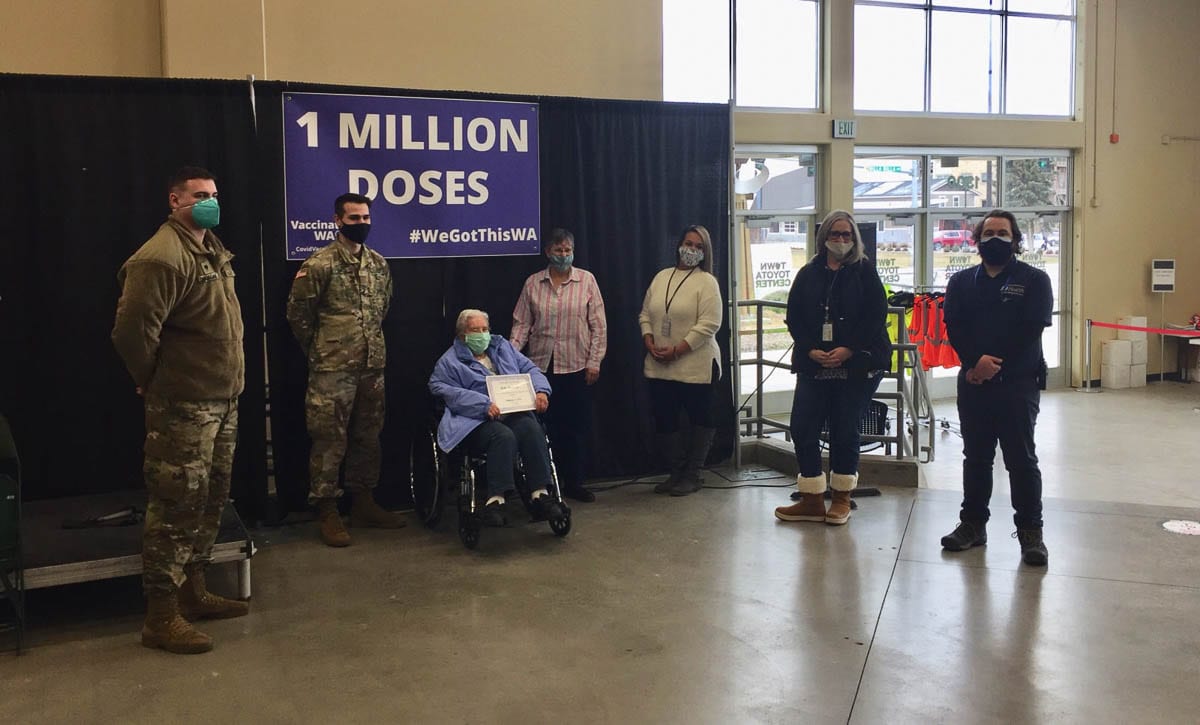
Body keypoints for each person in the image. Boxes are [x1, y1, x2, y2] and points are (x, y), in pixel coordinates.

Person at [112, 166, 248, 654]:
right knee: (175, 505)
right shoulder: (161, 257)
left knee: (211, 497)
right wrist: (150, 380)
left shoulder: (211, 248)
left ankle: (196, 592)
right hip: (184, 403)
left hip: (222, 397)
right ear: (174, 200)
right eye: (198, 195)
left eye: (214, 194)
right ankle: (161, 616)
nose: (209, 202)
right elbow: (132, 332)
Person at [286, 192, 404, 547]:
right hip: (332, 368)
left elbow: (382, 307)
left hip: (372, 366)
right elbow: (298, 316)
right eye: (354, 219)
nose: (361, 224)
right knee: (329, 439)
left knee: (368, 436)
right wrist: (323, 349)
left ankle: (364, 502)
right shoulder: (319, 265)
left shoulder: (379, 264)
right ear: (338, 220)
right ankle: (327, 509)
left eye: (366, 218)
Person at [939, 210, 1051, 566]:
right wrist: (974, 364)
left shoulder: (1035, 280)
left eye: (1003, 232)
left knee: (1021, 461)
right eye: (988, 232)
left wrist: (991, 364)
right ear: (977, 240)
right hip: (973, 383)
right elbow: (955, 328)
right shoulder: (960, 283)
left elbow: (1029, 330)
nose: (995, 238)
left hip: (1017, 384)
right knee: (976, 458)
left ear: (1015, 240)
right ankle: (972, 525)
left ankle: (1031, 532)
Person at [774, 210, 890, 526]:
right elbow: (794, 315)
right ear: (823, 237)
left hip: (857, 364)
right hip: (815, 362)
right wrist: (811, 348)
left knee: (844, 428)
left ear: (854, 239)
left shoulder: (865, 271)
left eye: (846, 235)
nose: (840, 240)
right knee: (802, 426)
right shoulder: (808, 272)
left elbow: (875, 315)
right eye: (834, 234)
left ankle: (841, 498)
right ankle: (812, 498)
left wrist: (848, 349)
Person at [428, 309, 566, 527]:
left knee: (531, 428)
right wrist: (481, 404)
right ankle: (496, 500)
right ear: (463, 334)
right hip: (475, 420)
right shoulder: (450, 361)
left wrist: (540, 391)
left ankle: (540, 494)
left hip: (511, 412)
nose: (482, 334)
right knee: (503, 436)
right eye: (475, 330)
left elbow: (530, 368)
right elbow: (439, 387)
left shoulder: (502, 347)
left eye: (485, 329)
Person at [510, 228, 608, 503]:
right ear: (547, 252)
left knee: (574, 428)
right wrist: (510, 359)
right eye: (558, 250)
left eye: (567, 250)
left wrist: (594, 361)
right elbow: (522, 324)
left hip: (576, 366)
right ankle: (543, 486)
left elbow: (598, 326)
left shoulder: (587, 281)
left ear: (573, 252)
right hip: (540, 367)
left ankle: (574, 482)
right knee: (541, 429)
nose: (563, 255)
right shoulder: (533, 283)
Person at [638, 225, 722, 496]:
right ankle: (676, 472)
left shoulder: (707, 282)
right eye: (688, 243)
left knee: (701, 418)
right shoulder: (662, 277)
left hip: (696, 365)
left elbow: (709, 324)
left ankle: (693, 474)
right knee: (665, 419)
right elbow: (645, 314)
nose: (692, 250)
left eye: (699, 247)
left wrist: (677, 350)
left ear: (704, 252)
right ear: (679, 245)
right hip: (659, 365)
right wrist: (648, 338)